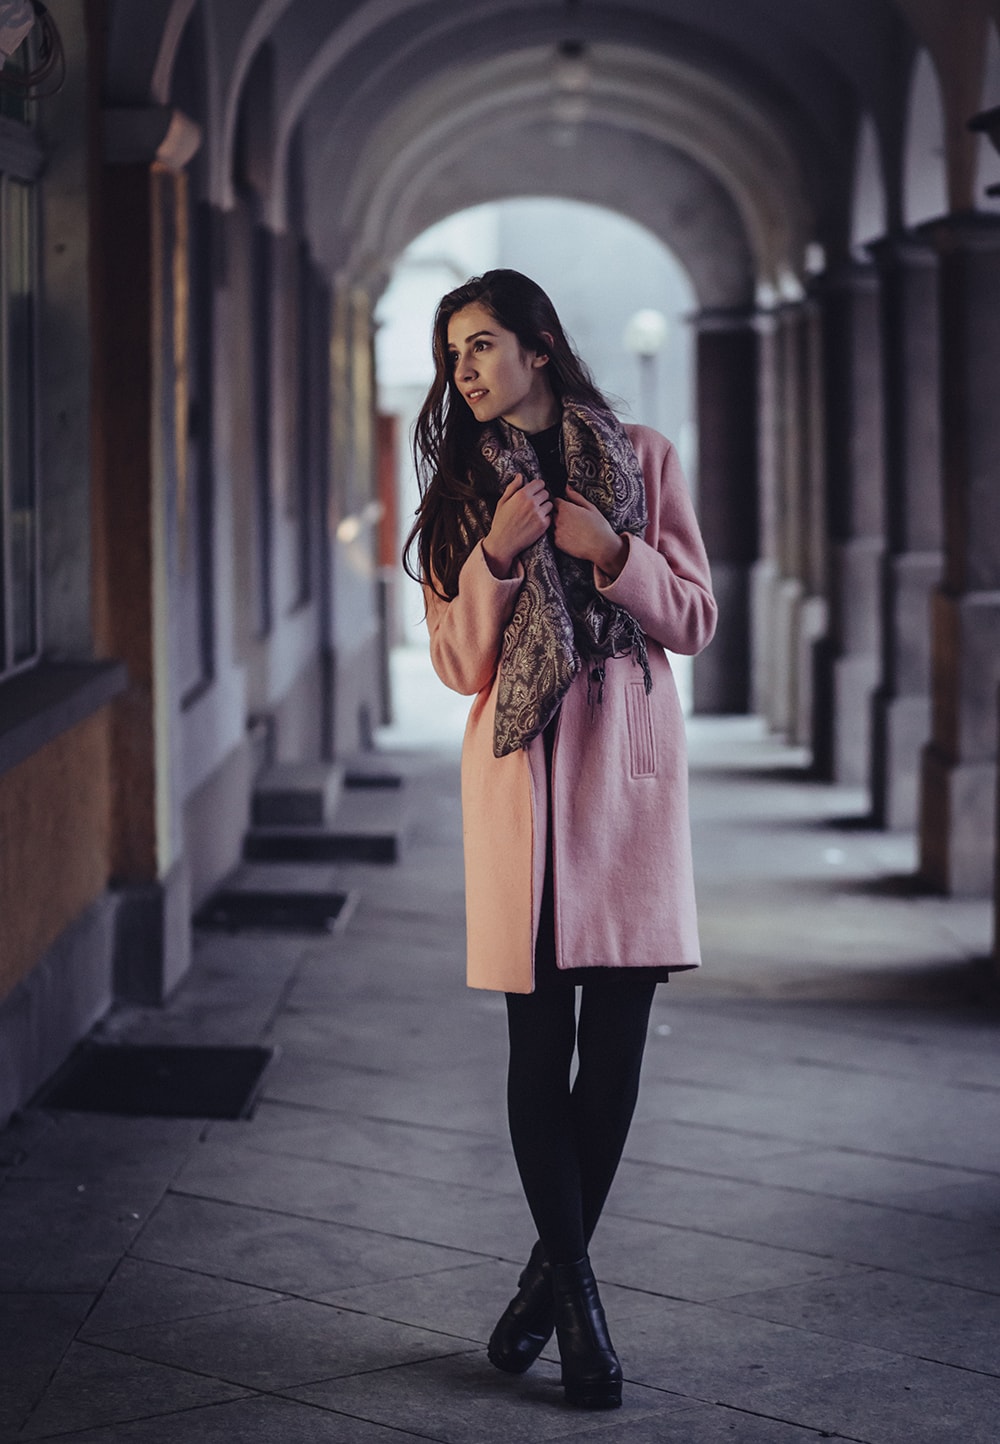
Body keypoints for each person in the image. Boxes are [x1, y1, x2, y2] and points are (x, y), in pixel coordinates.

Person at [404, 269, 716, 1410]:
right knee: (537, 1051)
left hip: (625, 790)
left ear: (539, 345)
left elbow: (695, 617)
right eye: (453, 354)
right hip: (524, 792)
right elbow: (458, 667)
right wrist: (494, 554)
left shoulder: (644, 459)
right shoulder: (461, 492)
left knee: (616, 1054)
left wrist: (612, 550)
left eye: (481, 344)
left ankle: (547, 1282)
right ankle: (579, 1310)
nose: (465, 370)